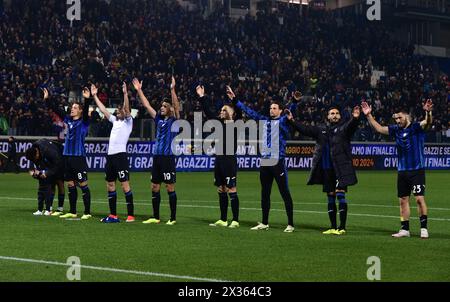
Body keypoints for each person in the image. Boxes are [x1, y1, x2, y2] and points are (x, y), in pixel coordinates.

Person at [361, 99, 433, 239]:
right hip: (402, 171)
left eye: (400, 117)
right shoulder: (396, 130)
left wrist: (428, 112)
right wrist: (369, 115)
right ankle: (405, 229)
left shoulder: (416, 128)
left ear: (408, 117)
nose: (398, 120)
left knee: (419, 199)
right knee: (403, 200)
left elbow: (428, 122)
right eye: (396, 118)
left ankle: (423, 228)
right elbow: (379, 129)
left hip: (417, 170)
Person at [227, 86, 295, 233]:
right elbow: (249, 111)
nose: (271, 110)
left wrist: (294, 101)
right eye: (271, 108)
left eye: (275, 108)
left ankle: (290, 223)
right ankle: (264, 222)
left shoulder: (284, 121)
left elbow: (290, 112)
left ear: (280, 111)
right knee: (265, 193)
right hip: (265, 162)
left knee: (285, 192)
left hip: (278, 162)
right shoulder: (263, 120)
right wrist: (235, 99)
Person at [286, 105, 361, 235]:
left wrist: (355, 118)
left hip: (340, 169)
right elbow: (306, 129)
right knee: (330, 196)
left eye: (337, 113)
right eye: (332, 113)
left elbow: (351, 127)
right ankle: (332, 227)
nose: (335, 115)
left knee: (340, 194)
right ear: (328, 116)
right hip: (327, 169)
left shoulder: (343, 129)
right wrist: (292, 121)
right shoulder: (321, 130)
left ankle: (342, 227)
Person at [133, 76, 180, 225]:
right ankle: (156, 216)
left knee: (169, 187)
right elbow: (147, 105)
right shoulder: (158, 119)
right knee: (154, 186)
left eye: (165, 106)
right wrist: (139, 91)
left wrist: (172, 90)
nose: (161, 107)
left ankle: (172, 218)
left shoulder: (174, 120)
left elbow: (177, 107)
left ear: (170, 109)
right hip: (157, 158)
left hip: (168, 158)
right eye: (161, 106)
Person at [43, 87, 93, 220]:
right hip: (67, 156)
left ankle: (87, 212)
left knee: (83, 184)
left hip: (78, 157)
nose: (72, 109)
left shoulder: (84, 122)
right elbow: (55, 109)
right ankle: (73, 211)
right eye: (72, 107)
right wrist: (47, 99)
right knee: (70, 184)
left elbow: (87, 108)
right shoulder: (68, 120)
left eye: (76, 107)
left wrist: (87, 98)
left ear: (81, 111)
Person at [196, 85, 240, 228]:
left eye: (224, 110)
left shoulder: (236, 123)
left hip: (229, 160)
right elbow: (208, 112)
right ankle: (223, 219)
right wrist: (202, 97)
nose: (221, 112)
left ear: (231, 113)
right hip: (219, 159)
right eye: (221, 110)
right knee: (221, 189)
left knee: (231, 189)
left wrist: (233, 98)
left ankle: (235, 220)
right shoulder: (219, 124)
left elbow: (238, 110)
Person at [91, 82, 135, 223]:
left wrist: (125, 93)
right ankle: (113, 215)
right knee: (110, 185)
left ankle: (130, 215)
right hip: (110, 157)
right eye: (117, 111)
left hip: (120, 156)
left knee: (124, 185)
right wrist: (95, 96)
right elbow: (103, 110)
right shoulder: (115, 121)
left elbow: (127, 109)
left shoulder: (128, 122)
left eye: (120, 110)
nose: (118, 112)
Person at [25, 139, 65, 216]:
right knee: (51, 183)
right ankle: (49, 208)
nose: (34, 161)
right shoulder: (34, 151)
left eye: (34, 159)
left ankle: (60, 208)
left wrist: (47, 173)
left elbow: (57, 165)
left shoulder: (50, 151)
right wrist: (34, 173)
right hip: (50, 161)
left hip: (61, 158)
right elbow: (35, 164)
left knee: (59, 182)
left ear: (37, 154)